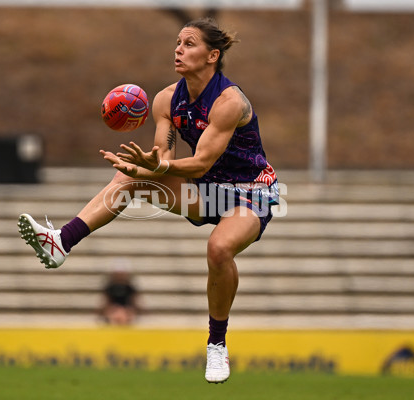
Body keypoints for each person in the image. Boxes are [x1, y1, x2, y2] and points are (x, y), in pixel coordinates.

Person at [17, 17, 279, 384]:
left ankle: (216, 345)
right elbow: (163, 153)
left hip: (251, 193)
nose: (178, 49)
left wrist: (159, 166)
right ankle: (62, 240)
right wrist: (146, 166)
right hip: (206, 188)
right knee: (128, 176)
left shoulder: (229, 102)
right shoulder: (166, 99)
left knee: (219, 248)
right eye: (177, 42)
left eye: (189, 44)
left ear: (212, 55)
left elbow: (203, 160)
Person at [101, 260, 139, 325]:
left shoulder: (129, 287)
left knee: (123, 314)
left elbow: (134, 302)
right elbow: (106, 302)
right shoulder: (110, 287)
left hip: (126, 310)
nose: (120, 276)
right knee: (115, 314)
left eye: (121, 274)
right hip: (113, 309)